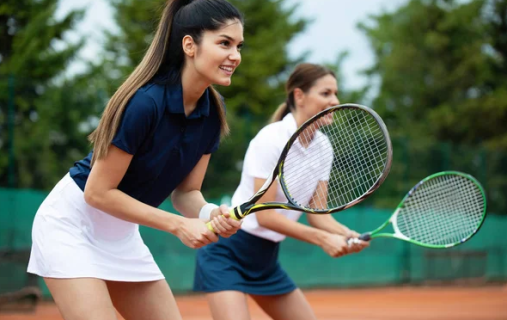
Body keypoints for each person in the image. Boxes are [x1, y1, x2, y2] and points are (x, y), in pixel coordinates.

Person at [27, 0, 244, 319]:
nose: (235, 56)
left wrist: (211, 213)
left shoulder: (213, 113)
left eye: (239, 46)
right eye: (224, 43)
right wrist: (179, 224)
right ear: (190, 45)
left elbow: (185, 193)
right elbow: (97, 192)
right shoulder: (145, 103)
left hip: (121, 234)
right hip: (71, 226)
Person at [193, 63, 370, 320]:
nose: (335, 100)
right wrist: (323, 240)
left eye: (335, 93)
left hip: (266, 257)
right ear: (299, 96)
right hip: (228, 250)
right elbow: (265, 216)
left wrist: (347, 234)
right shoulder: (272, 139)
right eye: (326, 93)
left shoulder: (323, 147)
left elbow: (318, 215)